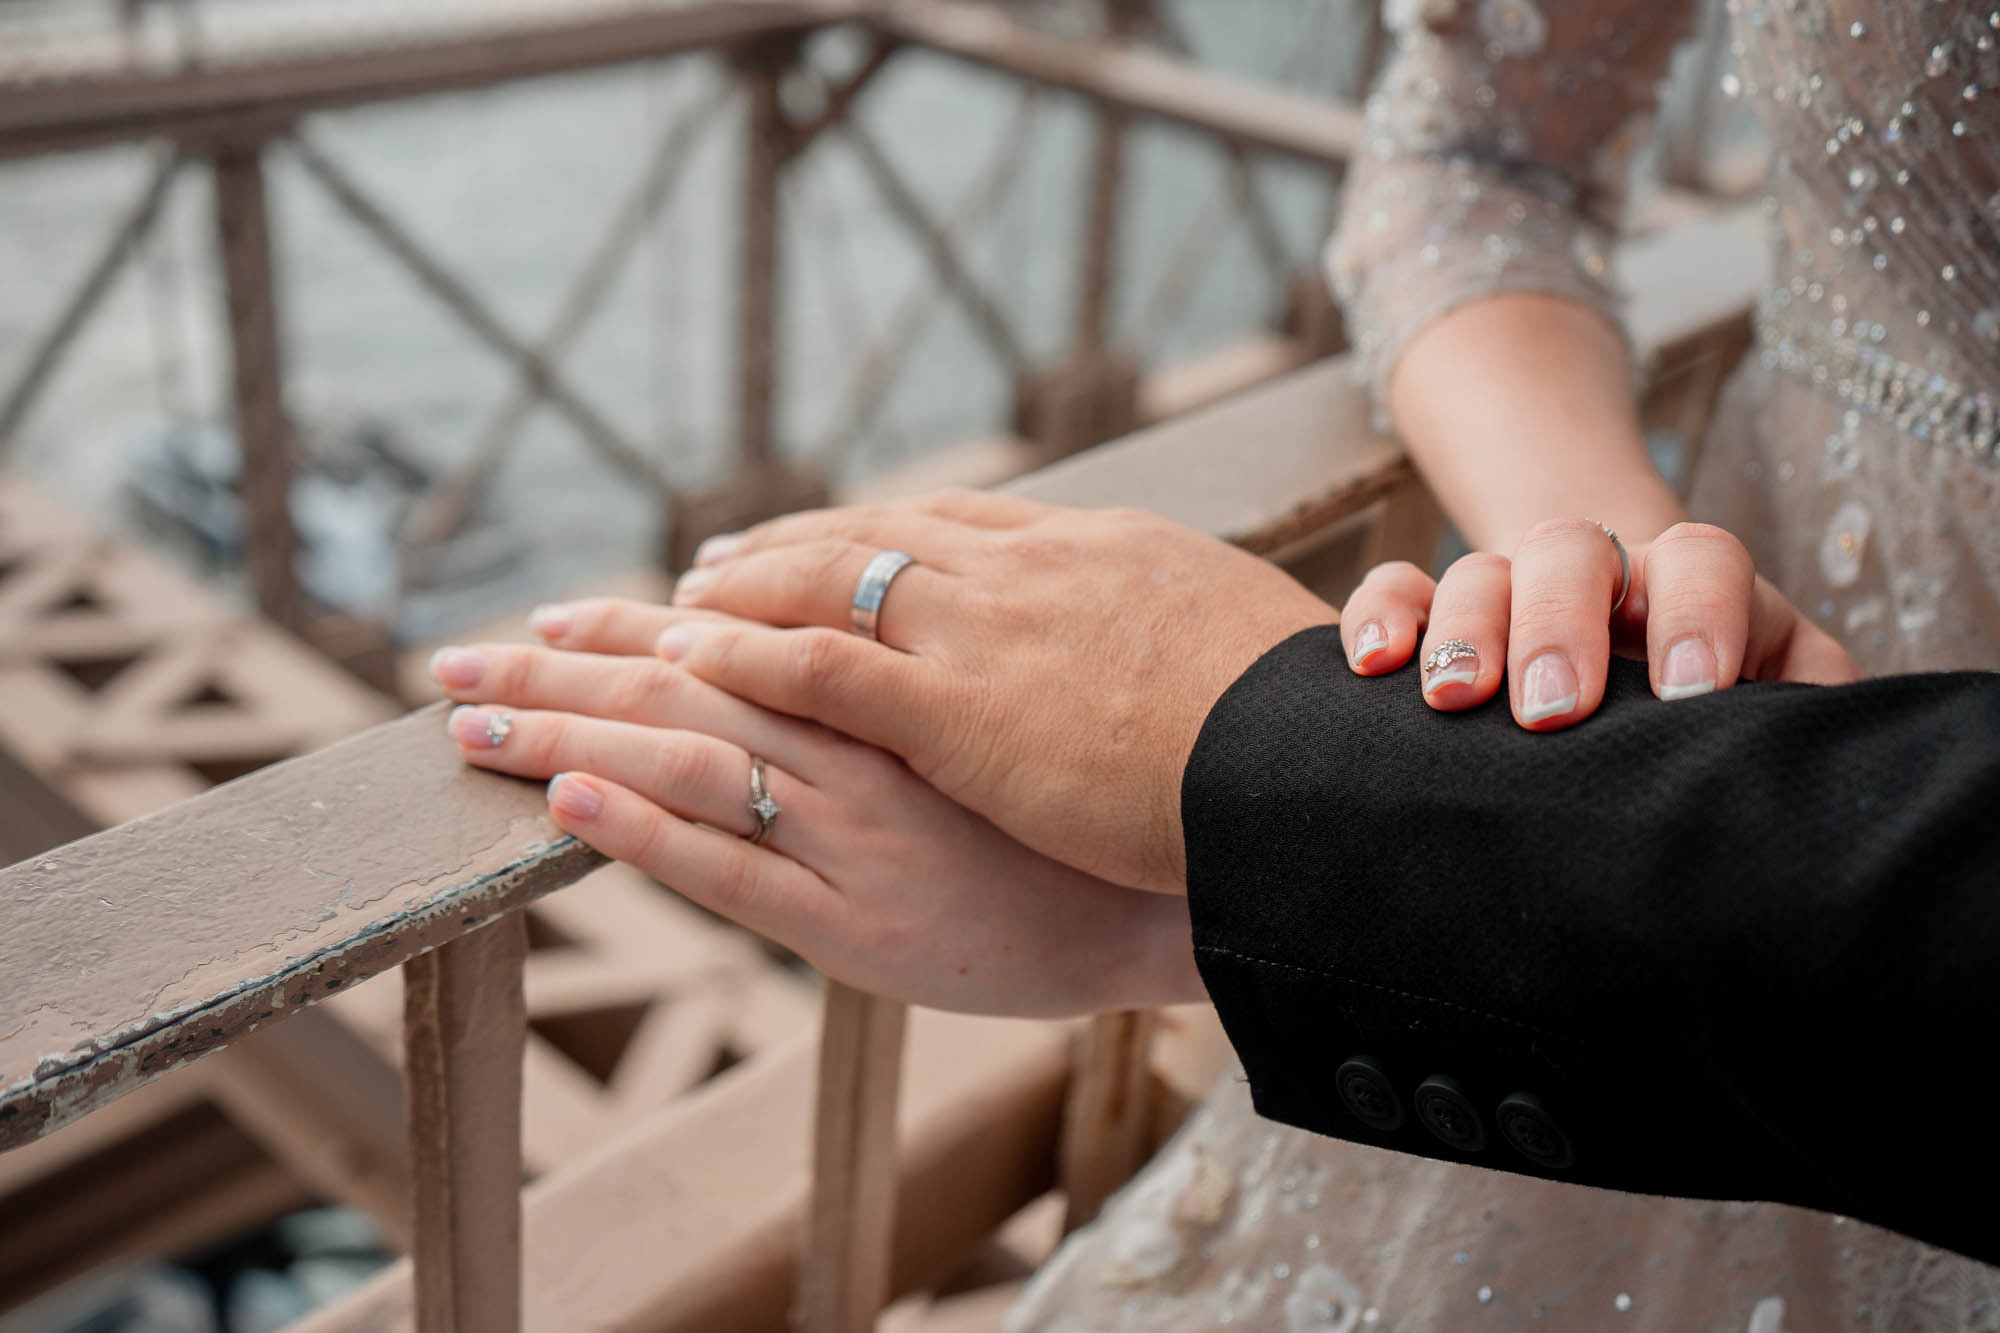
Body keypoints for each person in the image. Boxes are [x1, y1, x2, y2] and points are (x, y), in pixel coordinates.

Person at [427, 0, 2000, 1323]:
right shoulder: (1621, 682)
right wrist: (1597, 613)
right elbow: (1477, 153)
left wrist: (1283, 806)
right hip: (1705, 748)